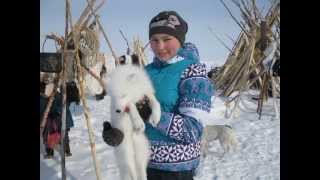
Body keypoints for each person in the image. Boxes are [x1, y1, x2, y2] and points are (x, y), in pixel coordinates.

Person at [103, 10, 214, 180]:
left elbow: (192, 131)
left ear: (180, 39)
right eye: (154, 40)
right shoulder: (145, 72)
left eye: (167, 39)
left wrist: (151, 114)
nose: (160, 46)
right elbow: (132, 111)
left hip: (176, 170)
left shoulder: (193, 71)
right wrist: (118, 132)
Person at [40, 81, 77, 159]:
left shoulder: (54, 96)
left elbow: (63, 107)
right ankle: (60, 150)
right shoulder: (57, 95)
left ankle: (62, 150)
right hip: (56, 120)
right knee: (57, 134)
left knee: (52, 134)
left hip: (57, 120)